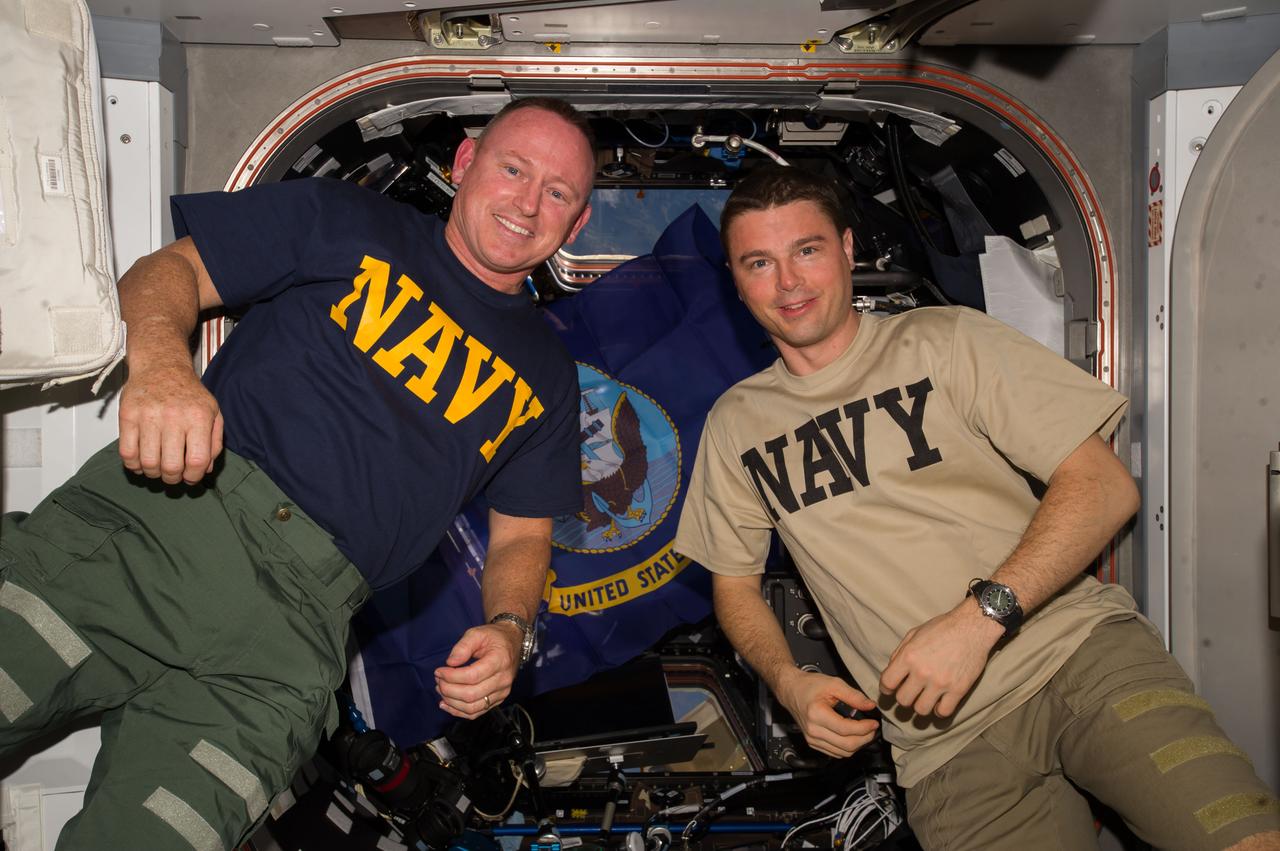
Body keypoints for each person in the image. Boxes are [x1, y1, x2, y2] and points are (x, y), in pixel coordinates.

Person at [0, 97, 596, 850]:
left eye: (558, 192)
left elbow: (523, 534)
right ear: (466, 163)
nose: (528, 202)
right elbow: (169, 271)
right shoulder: (344, 217)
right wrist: (161, 367)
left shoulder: (548, 374)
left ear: (574, 227)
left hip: (285, 648)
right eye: (515, 168)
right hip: (160, 530)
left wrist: (511, 628)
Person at [674, 164, 1280, 850]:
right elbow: (734, 585)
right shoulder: (736, 424)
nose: (787, 282)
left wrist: (977, 620)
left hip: (1075, 657)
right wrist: (789, 683)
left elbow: (1104, 486)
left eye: (806, 250)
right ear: (735, 278)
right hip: (944, 743)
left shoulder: (947, 341)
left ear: (846, 249)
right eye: (760, 262)